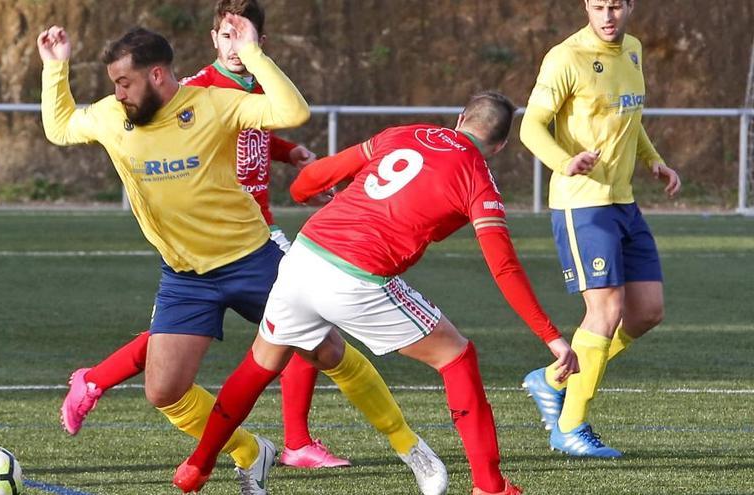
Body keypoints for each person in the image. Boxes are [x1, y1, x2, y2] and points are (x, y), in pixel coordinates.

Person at [172, 92, 579, 495]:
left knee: (260, 364)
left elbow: (310, 181)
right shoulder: (478, 178)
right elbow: (504, 268)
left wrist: (304, 193)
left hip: (304, 255)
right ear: (501, 145)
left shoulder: (405, 133)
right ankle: (489, 486)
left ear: (459, 119)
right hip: (357, 277)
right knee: (457, 356)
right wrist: (552, 338)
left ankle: (199, 465)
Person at [37, 16, 371, 495]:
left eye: (125, 81)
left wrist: (255, 53)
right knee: (163, 390)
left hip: (252, 257)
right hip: (185, 276)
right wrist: (55, 68)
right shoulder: (114, 115)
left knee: (325, 348)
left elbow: (291, 112)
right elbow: (62, 128)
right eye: (114, 84)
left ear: (156, 75)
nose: (118, 92)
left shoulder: (212, 102)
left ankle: (410, 450)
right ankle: (251, 451)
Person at [519, 0, 681, 459]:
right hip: (581, 204)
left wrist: (654, 161)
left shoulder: (632, 50)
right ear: (586, 7)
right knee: (606, 310)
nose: (607, 15)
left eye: (615, 5)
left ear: (630, 6)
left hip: (623, 202)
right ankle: (570, 427)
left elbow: (629, 117)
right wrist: (563, 162)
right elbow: (531, 125)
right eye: (598, 6)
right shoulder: (564, 57)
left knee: (647, 311)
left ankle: (551, 380)